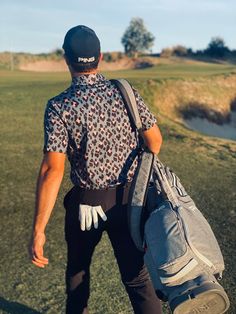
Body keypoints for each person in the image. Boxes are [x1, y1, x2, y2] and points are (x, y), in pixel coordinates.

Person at [30, 25, 163, 314]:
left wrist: (39, 230)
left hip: (86, 205)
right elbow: (154, 143)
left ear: (67, 59)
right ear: (100, 57)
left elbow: (51, 171)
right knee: (138, 279)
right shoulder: (125, 92)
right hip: (129, 202)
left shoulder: (59, 107)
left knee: (78, 270)